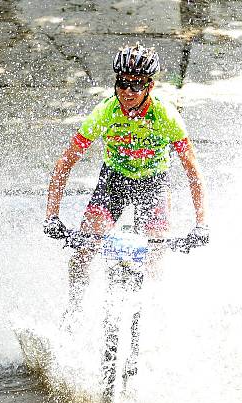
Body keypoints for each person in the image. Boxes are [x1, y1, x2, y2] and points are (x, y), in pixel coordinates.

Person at [43, 42, 209, 309]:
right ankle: (72, 310)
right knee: (85, 247)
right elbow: (65, 163)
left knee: (156, 250)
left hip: (153, 183)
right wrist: (51, 216)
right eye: (122, 83)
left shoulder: (166, 115)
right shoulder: (105, 112)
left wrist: (202, 224)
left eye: (136, 85)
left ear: (150, 87)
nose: (127, 91)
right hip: (114, 180)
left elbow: (192, 169)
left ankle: (155, 314)